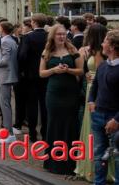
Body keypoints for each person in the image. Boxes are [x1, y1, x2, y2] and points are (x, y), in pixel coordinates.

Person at [39, 24, 83, 175]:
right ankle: (53, 163)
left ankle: (70, 164)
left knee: (70, 125)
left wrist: (68, 70)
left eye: (64, 34)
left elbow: (81, 70)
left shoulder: (73, 50)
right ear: (53, 36)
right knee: (54, 125)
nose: (62, 37)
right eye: (58, 34)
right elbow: (42, 73)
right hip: (53, 95)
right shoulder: (47, 51)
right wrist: (54, 70)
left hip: (71, 94)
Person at [75, 24, 110, 182]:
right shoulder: (98, 51)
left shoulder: (94, 52)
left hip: (94, 90)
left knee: (92, 129)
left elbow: (94, 71)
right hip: (95, 86)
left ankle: (92, 169)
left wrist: (90, 74)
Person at [89, 29, 119, 185]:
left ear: (112, 46)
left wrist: (116, 119)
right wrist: (91, 102)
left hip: (114, 118)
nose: (102, 43)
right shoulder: (102, 66)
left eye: (105, 41)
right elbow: (94, 86)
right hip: (98, 115)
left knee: (117, 156)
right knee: (99, 154)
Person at [18, 13, 48, 142]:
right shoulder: (49, 36)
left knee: (32, 105)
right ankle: (45, 132)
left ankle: (32, 133)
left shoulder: (28, 37)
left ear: (33, 23)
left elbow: (22, 56)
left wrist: (23, 71)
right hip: (47, 74)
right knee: (44, 104)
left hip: (31, 76)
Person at [0, 22, 19, 144]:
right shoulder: (11, 40)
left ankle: (9, 133)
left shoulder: (5, 41)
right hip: (8, 75)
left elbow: (5, 60)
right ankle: (6, 131)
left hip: (5, 75)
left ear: (2, 29)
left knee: (5, 105)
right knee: (6, 104)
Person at [13, 18, 33, 134]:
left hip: (23, 75)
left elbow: (21, 56)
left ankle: (18, 124)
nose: (22, 29)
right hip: (33, 76)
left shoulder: (26, 38)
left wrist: (20, 71)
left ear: (28, 27)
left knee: (20, 101)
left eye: (23, 27)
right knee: (31, 102)